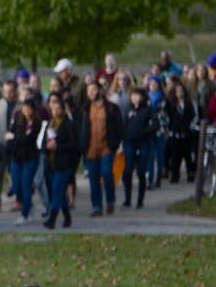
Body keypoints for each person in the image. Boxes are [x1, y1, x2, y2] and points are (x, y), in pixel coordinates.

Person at [78, 81, 122, 216]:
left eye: (93, 90)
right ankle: (96, 206)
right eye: (88, 90)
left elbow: (119, 127)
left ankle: (110, 200)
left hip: (106, 147)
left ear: (100, 91)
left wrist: (115, 144)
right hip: (90, 149)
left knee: (107, 173)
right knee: (93, 178)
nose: (91, 93)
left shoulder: (111, 108)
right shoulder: (85, 109)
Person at [42, 93, 77, 228]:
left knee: (57, 189)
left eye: (58, 109)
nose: (55, 112)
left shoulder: (68, 124)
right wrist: (47, 146)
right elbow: (44, 141)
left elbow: (74, 144)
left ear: (63, 110)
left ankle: (53, 218)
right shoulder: (50, 124)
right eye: (53, 109)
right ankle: (67, 216)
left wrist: (58, 146)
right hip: (52, 163)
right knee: (60, 191)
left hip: (64, 163)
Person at [5, 99, 42, 225]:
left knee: (26, 185)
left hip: (30, 158)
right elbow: (9, 137)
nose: (25, 111)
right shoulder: (17, 121)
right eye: (23, 109)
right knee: (16, 185)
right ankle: (29, 204)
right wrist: (18, 138)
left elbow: (29, 139)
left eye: (28, 109)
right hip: (17, 157)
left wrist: (16, 137)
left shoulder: (37, 123)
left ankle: (24, 214)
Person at [121, 87, 156, 209]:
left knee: (141, 171)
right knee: (127, 170)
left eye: (138, 95)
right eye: (133, 95)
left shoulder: (148, 110)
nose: (135, 98)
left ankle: (140, 200)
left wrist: (144, 132)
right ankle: (127, 199)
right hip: (129, 143)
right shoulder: (128, 110)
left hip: (143, 143)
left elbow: (155, 124)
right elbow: (123, 126)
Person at [165, 81, 198, 184]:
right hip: (174, 134)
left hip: (187, 134)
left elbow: (194, 117)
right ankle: (175, 175)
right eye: (177, 91)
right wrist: (169, 129)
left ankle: (190, 174)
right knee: (175, 157)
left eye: (181, 91)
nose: (179, 93)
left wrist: (191, 126)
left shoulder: (189, 103)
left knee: (188, 156)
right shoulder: (170, 104)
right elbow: (167, 117)